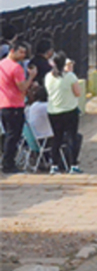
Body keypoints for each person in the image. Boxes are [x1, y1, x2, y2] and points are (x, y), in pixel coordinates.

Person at [44, 52, 83, 174]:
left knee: (57, 138)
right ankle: (73, 165)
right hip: (70, 110)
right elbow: (77, 93)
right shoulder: (70, 76)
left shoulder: (48, 77)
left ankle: (54, 165)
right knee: (72, 137)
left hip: (53, 111)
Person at [1, 42, 36, 174]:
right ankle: (8, 164)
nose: (23, 55)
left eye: (24, 53)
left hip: (4, 104)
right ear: (12, 51)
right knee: (13, 136)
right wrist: (31, 77)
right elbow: (22, 87)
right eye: (21, 52)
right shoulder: (16, 68)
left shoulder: (2, 65)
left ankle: (7, 161)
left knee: (9, 135)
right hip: (14, 105)